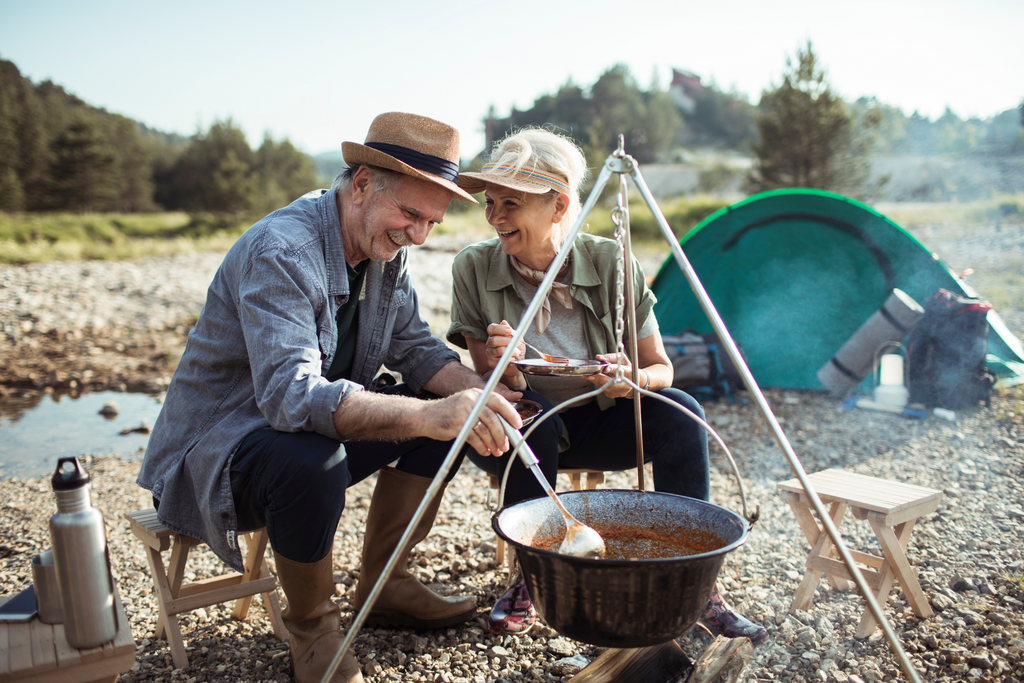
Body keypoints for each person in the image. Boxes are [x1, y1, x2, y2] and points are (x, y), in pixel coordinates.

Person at [137, 113, 524, 683]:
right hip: (218, 458)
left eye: (432, 222)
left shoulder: (384, 250)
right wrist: (432, 414)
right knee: (313, 459)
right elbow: (292, 401)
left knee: (444, 415)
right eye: (411, 215)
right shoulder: (283, 250)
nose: (418, 234)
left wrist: (488, 395)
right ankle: (314, 630)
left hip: (298, 435)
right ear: (362, 183)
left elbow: (416, 350)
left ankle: (385, 581)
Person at [447, 127, 767, 645]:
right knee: (530, 422)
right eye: (491, 202)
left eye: (511, 203)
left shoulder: (612, 262)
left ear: (559, 206)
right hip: (517, 432)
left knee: (682, 409)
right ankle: (532, 577)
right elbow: (488, 381)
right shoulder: (474, 267)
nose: (495, 216)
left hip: (601, 417)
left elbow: (660, 369)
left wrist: (628, 382)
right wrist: (504, 364)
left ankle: (700, 588)